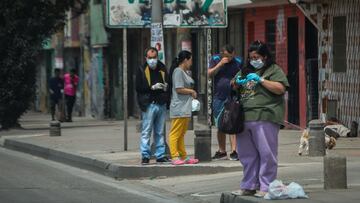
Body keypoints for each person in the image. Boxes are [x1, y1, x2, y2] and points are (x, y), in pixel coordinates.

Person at [231, 40, 289, 197]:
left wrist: (261, 80)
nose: (253, 60)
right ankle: (249, 185)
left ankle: (266, 186)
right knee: (246, 154)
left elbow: (280, 88)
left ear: (264, 56)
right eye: (251, 57)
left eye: (256, 57)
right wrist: (237, 82)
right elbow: (233, 83)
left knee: (266, 153)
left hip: (265, 116)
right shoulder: (245, 70)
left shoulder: (273, 69)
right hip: (244, 118)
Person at [136, 47, 170, 165]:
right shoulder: (141, 69)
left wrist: (165, 88)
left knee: (159, 131)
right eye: (150, 58)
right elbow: (138, 87)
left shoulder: (162, 68)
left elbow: (168, 84)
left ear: (157, 57)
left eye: (154, 57)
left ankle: (160, 155)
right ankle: (145, 155)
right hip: (149, 104)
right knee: (146, 131)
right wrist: (151, 87)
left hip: (161, 103)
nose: (152, 60)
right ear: (146, 58)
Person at [208, 44, 243, 160]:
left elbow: (243, 76)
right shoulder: (215, 59)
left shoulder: (238, 61)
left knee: (232, 123)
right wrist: (220, 64)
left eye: (231, 56)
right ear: (222, 53)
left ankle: (234, 150)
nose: (229, 58)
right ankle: (222, 150)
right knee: (220, 124)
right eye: (226, 56)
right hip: (219, 96)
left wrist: (237, 83)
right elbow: (209, 74)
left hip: (232, 96)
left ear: (234, 54)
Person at [168, 50, 199, 165]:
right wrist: (191, 91)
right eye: (190, 60)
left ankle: (183, 156)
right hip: (179, 108)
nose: (191, 63)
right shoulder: (178, 71)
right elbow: (178, 88)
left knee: (181, 133)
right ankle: (174, 156)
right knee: (175, 133)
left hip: (185, 108)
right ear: (185, 60)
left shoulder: (185, 72)